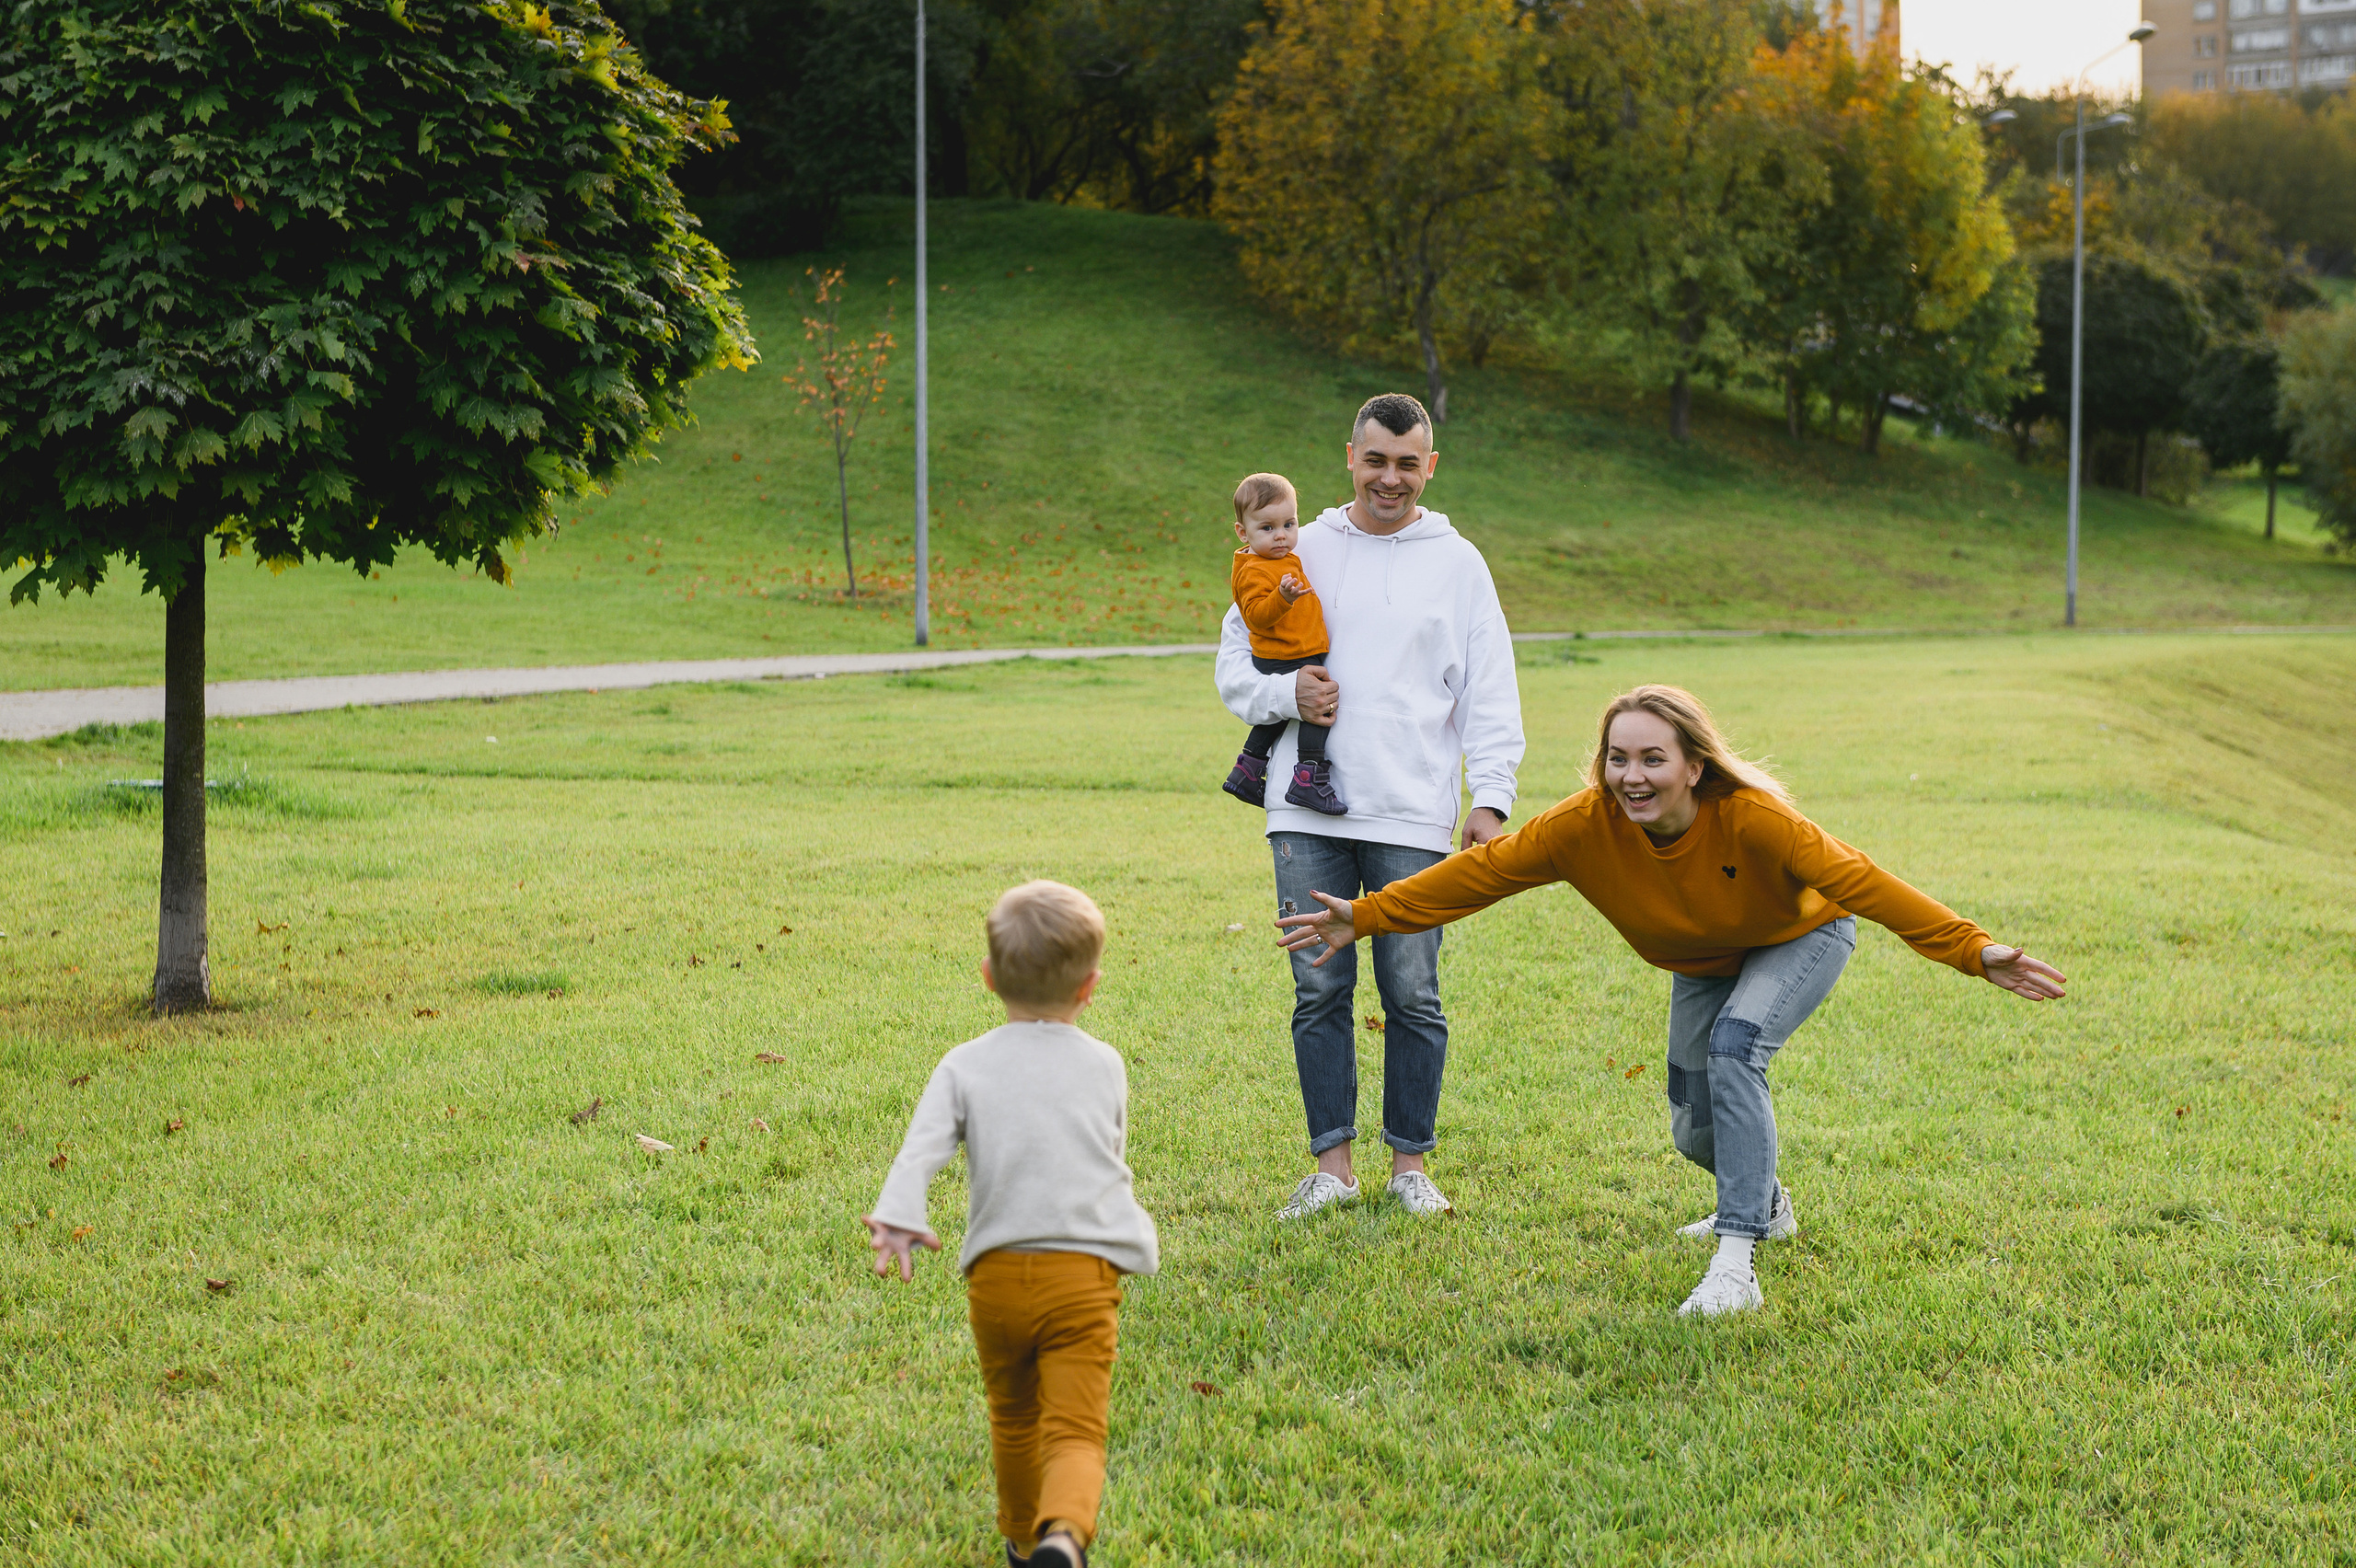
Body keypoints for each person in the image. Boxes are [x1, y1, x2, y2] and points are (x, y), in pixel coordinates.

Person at [1276, 684, 2067, 1317]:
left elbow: (1863, 882)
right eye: (1618, 759)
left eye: (1653, 758)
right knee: (1694, 1131)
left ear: (1694, 765)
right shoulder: (1581, 828)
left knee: (1735, 1050)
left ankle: (1736, 1261)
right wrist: (1369, 913)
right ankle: (1767, 1201)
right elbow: (1480, 875)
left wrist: (1973, 949)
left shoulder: (1754, 819)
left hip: (1800, 937)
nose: (1633, 776)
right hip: (1704, 960)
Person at [1216, 393, 1525, 1221]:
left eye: (1407, 462)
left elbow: (1490, 690)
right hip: (1305, 811)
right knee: (1319, 991)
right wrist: (1286, 694)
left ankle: (1410, 1168)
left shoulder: (1459, 563)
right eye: (1376, 460)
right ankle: (1333, 1169)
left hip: (1412, 812)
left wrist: (1490, 799)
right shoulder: (1295, 544)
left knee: (1413, 993)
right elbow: (1234, 665)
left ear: (1431, 466)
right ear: (1349, 457)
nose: (1391, 478)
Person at [864, 881, 1158, 1568]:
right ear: (1090, 987)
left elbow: (921, 1151)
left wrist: (899, 1218)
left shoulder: (963, 1064)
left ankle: (1024, 1542)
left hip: (995, 1277)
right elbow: (1109, 1154)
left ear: (989, 977)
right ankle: (1065, 1535)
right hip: (1082, 1275)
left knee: (1015, 1417)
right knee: (1076, 1429)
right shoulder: (1105, 1064)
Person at [1222, 471, 1345, 815]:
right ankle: (1308, 777)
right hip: (1282, 655)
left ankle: (1247, 769)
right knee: (1318, 709)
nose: (1281, 536)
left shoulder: (1280, 557)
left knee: (1275, 719)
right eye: (1267, 528)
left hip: (1294, 650)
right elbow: (1256, 616)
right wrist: (1282, 597)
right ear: (1242, 532)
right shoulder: (1253, 569)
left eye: (1289, 525)